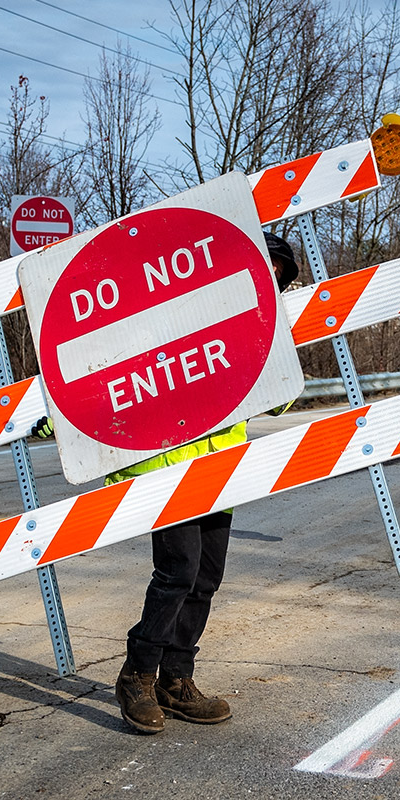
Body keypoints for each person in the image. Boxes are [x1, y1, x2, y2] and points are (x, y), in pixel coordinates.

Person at [110, 230, 302, 734]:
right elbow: (119, 370)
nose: (272, 284)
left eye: (278, 280)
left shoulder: (251, 329)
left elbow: (274, 397)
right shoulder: (175, 311)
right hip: (165, 465)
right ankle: (138, 674)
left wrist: (276, 365)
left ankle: (176, 679)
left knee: (205, 578)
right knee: (179, 571)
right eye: (268, 272)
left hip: (221, 466)